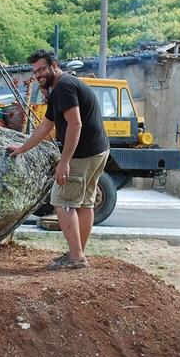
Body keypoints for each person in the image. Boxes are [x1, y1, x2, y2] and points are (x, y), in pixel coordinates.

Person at [8, 49, 109, 270]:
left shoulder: (63, 87)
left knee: (61, 201)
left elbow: (75, 124)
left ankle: (76, 257)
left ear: (55, 66)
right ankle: (77, 253)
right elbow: (46, 125)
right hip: (98, 150)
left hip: (83, 153)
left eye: (42, 69)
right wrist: (22, 148)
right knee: (84, 203)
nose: (38, 75)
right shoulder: (62, 87)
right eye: (35, 72)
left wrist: (64, 163)